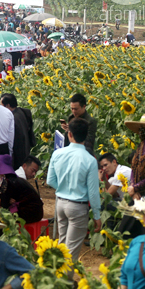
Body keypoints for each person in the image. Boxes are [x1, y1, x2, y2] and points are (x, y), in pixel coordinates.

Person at [47, 117, 101, 277]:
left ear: (69, 134)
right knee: (71, 251)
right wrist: (97, 215)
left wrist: (64, 188)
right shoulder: (90, 160)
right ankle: (65, 283)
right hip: (78, 207)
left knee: (62, 245)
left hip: (60, 204)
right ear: (86, 136)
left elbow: (50, 180)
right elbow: (93, 191)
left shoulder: (58, 154)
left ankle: (56, 280)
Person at [0, 154, 43, 224]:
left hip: (31, 213)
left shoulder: (7, 182)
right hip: (34, 211)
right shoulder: (11, 179)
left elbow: (4, 204)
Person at [0, 93, 35, 170]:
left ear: (8, 105)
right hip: (25, 150)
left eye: (1, 105)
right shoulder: (21, 112)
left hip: (18, 154)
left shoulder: (13, 118)